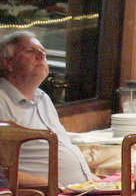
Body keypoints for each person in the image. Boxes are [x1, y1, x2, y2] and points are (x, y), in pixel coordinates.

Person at [0, 31, 94, 186]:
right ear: (8, 63)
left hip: (80, 190)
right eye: (30, 51)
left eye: (43, 52)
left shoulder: (43, 97)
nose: (41, 56)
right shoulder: (2, 102)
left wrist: (95, 181)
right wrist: (50, 185)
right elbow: (2, 173)